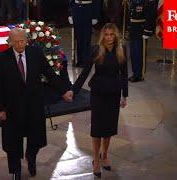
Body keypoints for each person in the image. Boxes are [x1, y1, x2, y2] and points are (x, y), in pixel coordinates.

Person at [0, 28, 73, 180]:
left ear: (27, 40)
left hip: (33, 105)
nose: (19, 44)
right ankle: (16, 170)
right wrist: (0, 108)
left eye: (22, 41)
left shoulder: (35, 53)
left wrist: (63, 91)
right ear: (9, 42)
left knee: (35, 138)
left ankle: (31, 159)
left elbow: (49, 74)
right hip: (12, 108)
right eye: (15, 42)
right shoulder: (1, 59)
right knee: (13, 142)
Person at [72, 23, 128, 178]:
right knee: (97, 127)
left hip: (114, 92)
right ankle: (96, 158)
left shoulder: (121, 50)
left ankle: (105, 155)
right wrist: (73, 90)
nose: (109, 38)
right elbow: (85, 73)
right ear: (103, 35)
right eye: (107, 34)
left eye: (112, 34)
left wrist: (125, 95)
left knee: (109, 126)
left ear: (115, 35)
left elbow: (124, 74)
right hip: (98, 92)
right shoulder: (95, 50)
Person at [128, 0, 158, 82]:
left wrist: (147, 30)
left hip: (141, 30)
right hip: (133, 29)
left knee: (139, 52)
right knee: (133, 53)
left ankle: (139, 75)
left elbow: (151, 15)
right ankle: (135, 73)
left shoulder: (148, 1)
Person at [68, 0, 100, 67]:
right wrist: (70, 14)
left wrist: (95, 15)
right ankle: (80, 60)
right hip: (76, 8)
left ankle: (86, 60)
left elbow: (97, 1)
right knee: (79, 37)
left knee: (86, 37)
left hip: (88, 8)